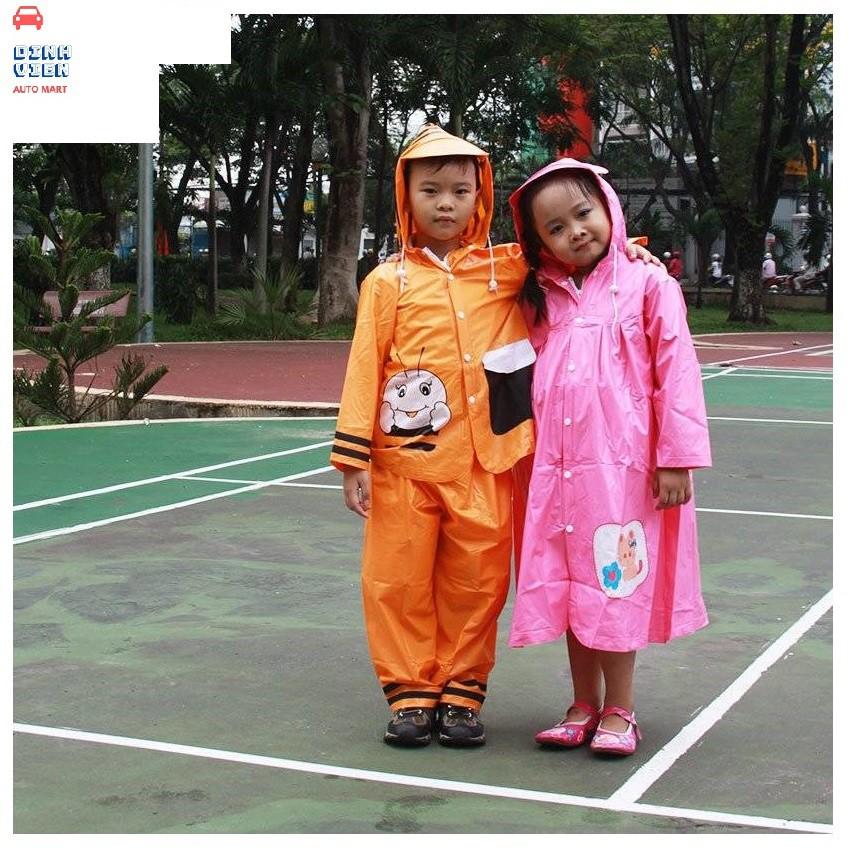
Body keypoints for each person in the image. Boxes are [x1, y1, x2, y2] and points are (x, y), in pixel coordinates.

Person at [330, 125, 658, 749]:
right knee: (396, 579)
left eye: (461, 190)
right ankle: (410, 692)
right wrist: (354, 458)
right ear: (406, 197)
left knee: (478, 582)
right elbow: (364, 366)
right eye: (430, 191)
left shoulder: (506, 268)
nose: (446, 204)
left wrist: (634, 252)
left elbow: (577, 252)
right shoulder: (387, 281)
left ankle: (461, 692)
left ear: (479, 197)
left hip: (487, 462)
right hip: (406, 464)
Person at [507, 158, 712, 757]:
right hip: (556, 471)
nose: (574, 232)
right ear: (538, 241)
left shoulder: (649, 285)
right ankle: (582, 704)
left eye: (583, 214)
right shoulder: (540, 297)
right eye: (555, 228)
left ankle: (620, 708)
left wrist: (677, 459)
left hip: (622, 474)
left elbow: (677, 373)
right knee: (573, 585)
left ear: (608, 208)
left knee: (613, 583)